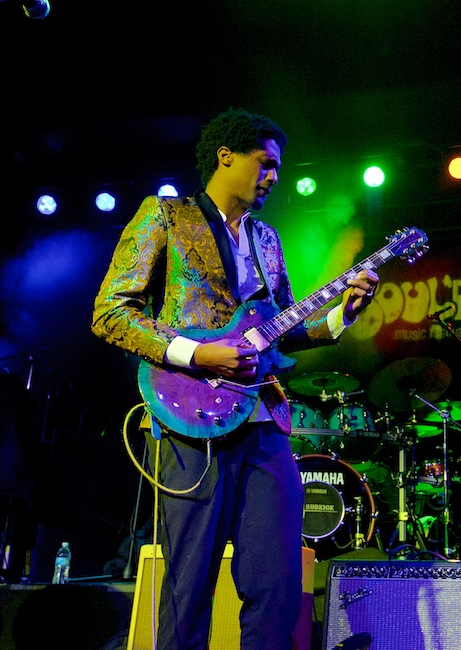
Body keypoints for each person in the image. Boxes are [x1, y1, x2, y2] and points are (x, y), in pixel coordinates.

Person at [91, 108, 379, 649]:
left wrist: (343, 315)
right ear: (227, 157)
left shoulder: (267, 238)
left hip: (263, 417)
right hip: (190, 418)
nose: (274, 176)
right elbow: (110, 312)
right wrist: (199, 356)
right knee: (189, 583)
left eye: (277, 167)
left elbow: (281, 329)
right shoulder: (166, 216)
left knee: (276, 584)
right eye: (265, 163)